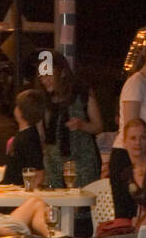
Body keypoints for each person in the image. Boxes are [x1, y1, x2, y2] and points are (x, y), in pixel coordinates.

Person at [37, 51, 103, 189]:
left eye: (49, 75)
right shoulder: (44, 100)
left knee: (80, 205)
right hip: (53, 164)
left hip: (82, 162)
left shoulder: (82, 92)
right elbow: (42, 136)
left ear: (62, 73)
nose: (45, 80)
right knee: (53, 206)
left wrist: (82, 125)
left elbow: (98, 126)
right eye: (42, 76)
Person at [2, 89, 46, 187]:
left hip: (15, 191)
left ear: (21, 111)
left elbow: (38, 172)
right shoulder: (24, 135)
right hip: (10, 187)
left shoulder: (29, 138)